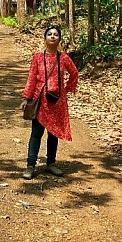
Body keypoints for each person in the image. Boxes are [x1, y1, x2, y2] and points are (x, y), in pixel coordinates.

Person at [19, 24, 79, 179]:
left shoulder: (64, 57)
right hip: (40, 102)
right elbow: (31, 79)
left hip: (57, 102)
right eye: (50, 34)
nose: (53, 36)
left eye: (56, 34)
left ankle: (51, 163)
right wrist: (26, 98)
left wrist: (67, 89)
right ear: (45, 38)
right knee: (36, 134)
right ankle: (30, 166)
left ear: (59, 39)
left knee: (53, 134)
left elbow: (74, 73)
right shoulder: (38, 57)